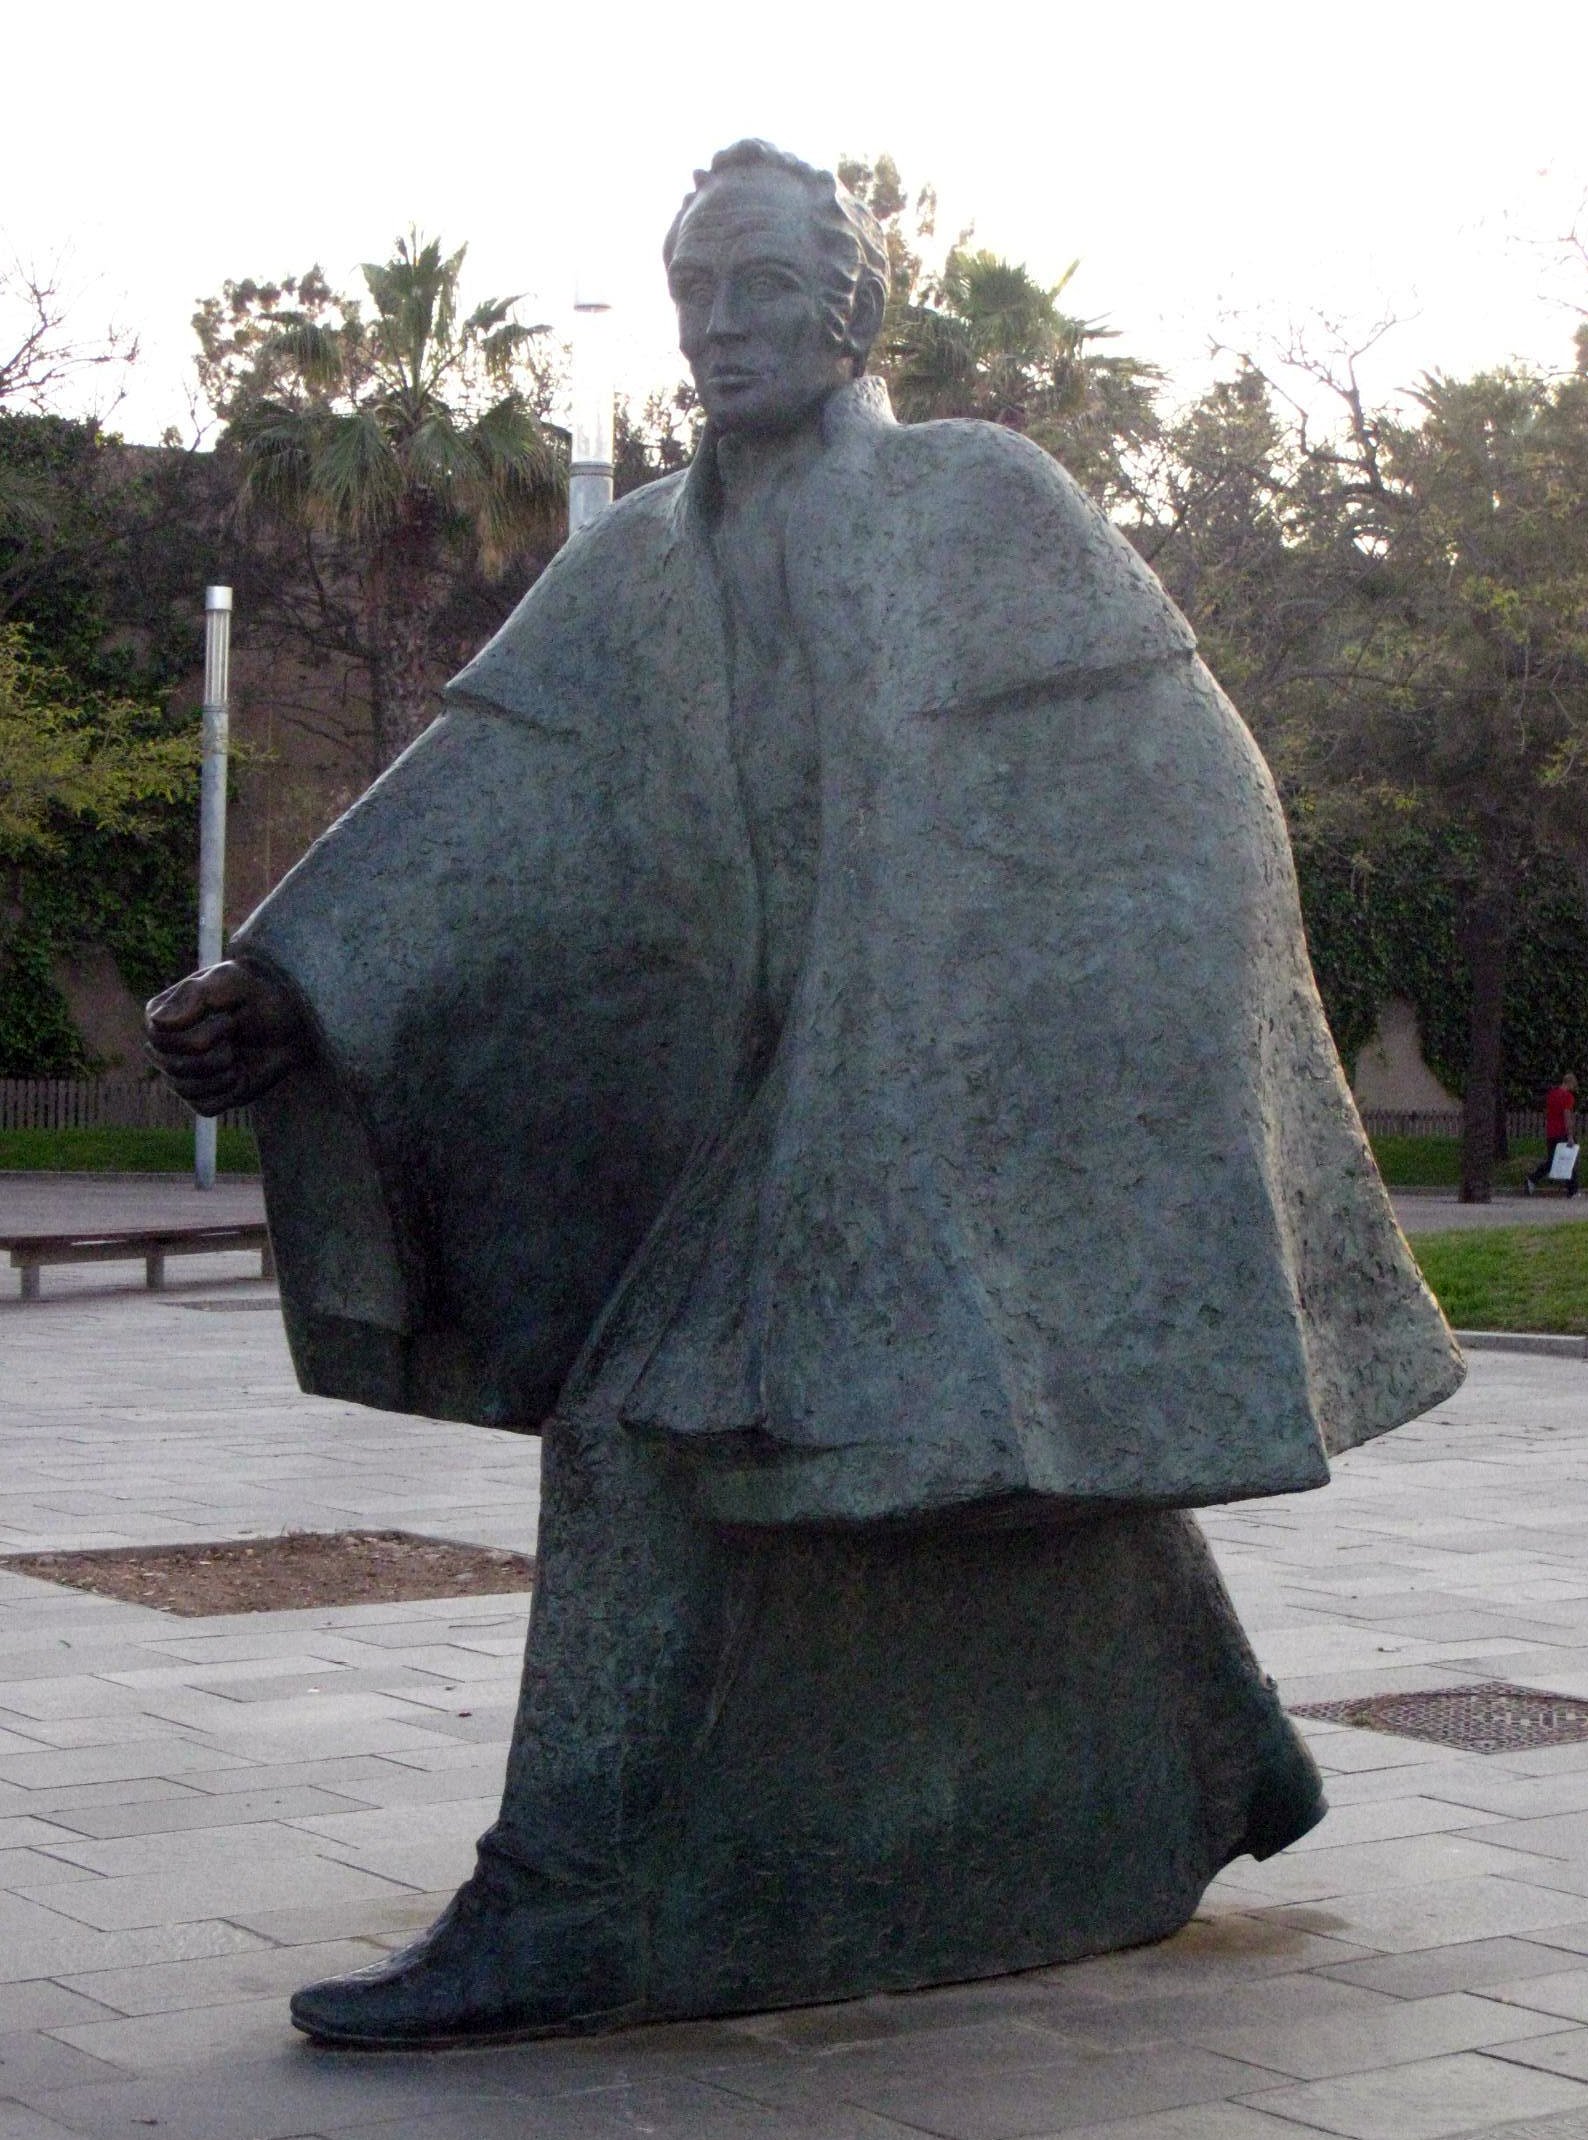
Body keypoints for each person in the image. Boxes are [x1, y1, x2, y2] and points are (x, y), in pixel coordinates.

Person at [146, 141, 1463, 2048]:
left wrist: (1007, 1034)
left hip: (931, 1083)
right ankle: (1208, 1753)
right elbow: (492, 796)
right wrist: (293, 981)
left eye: (766, 286)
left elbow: (1193, 793)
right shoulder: (636, 562)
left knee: (655, 1432)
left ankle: (569, 1901)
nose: (724, 327)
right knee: (893, 1439)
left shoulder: (979, 503)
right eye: (699, 295)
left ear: (855, 306)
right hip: (750, 1092)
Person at [1527, 1071, 1580, 1196]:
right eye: (1573, 1086)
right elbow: (1567, 1115)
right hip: (1562, 1132)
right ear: (1570, 1083)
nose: (1573, 1089)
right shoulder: (1568, 1097)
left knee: (1552, 1161)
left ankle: (1533, 1178)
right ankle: (1572, 1190)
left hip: (1551, 1132)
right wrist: (1570, 1135)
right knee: (1569, 1160)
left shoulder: (1552, 1094)